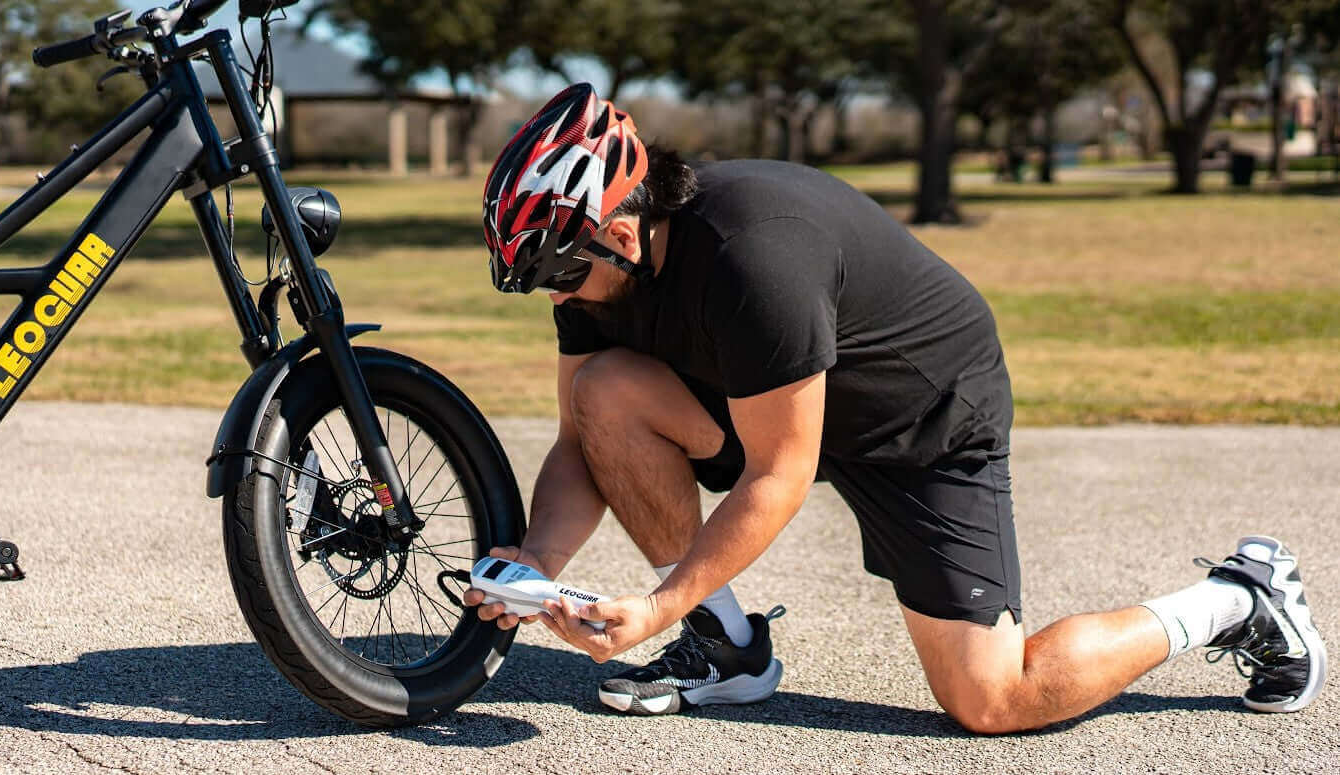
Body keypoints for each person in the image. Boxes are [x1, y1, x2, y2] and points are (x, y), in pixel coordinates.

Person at [462, 83, 1327, 729]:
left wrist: (655, 607)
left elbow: (778, 475)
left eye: (555, 271)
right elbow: (582, 440)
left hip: (922, 420)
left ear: (619, 231)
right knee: (605, 391)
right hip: (776, 396)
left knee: (994, 697)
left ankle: (1239, 598)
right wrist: (534, 565)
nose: (552, 295)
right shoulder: (600, 277)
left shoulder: (754, 260)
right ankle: (726, 647)